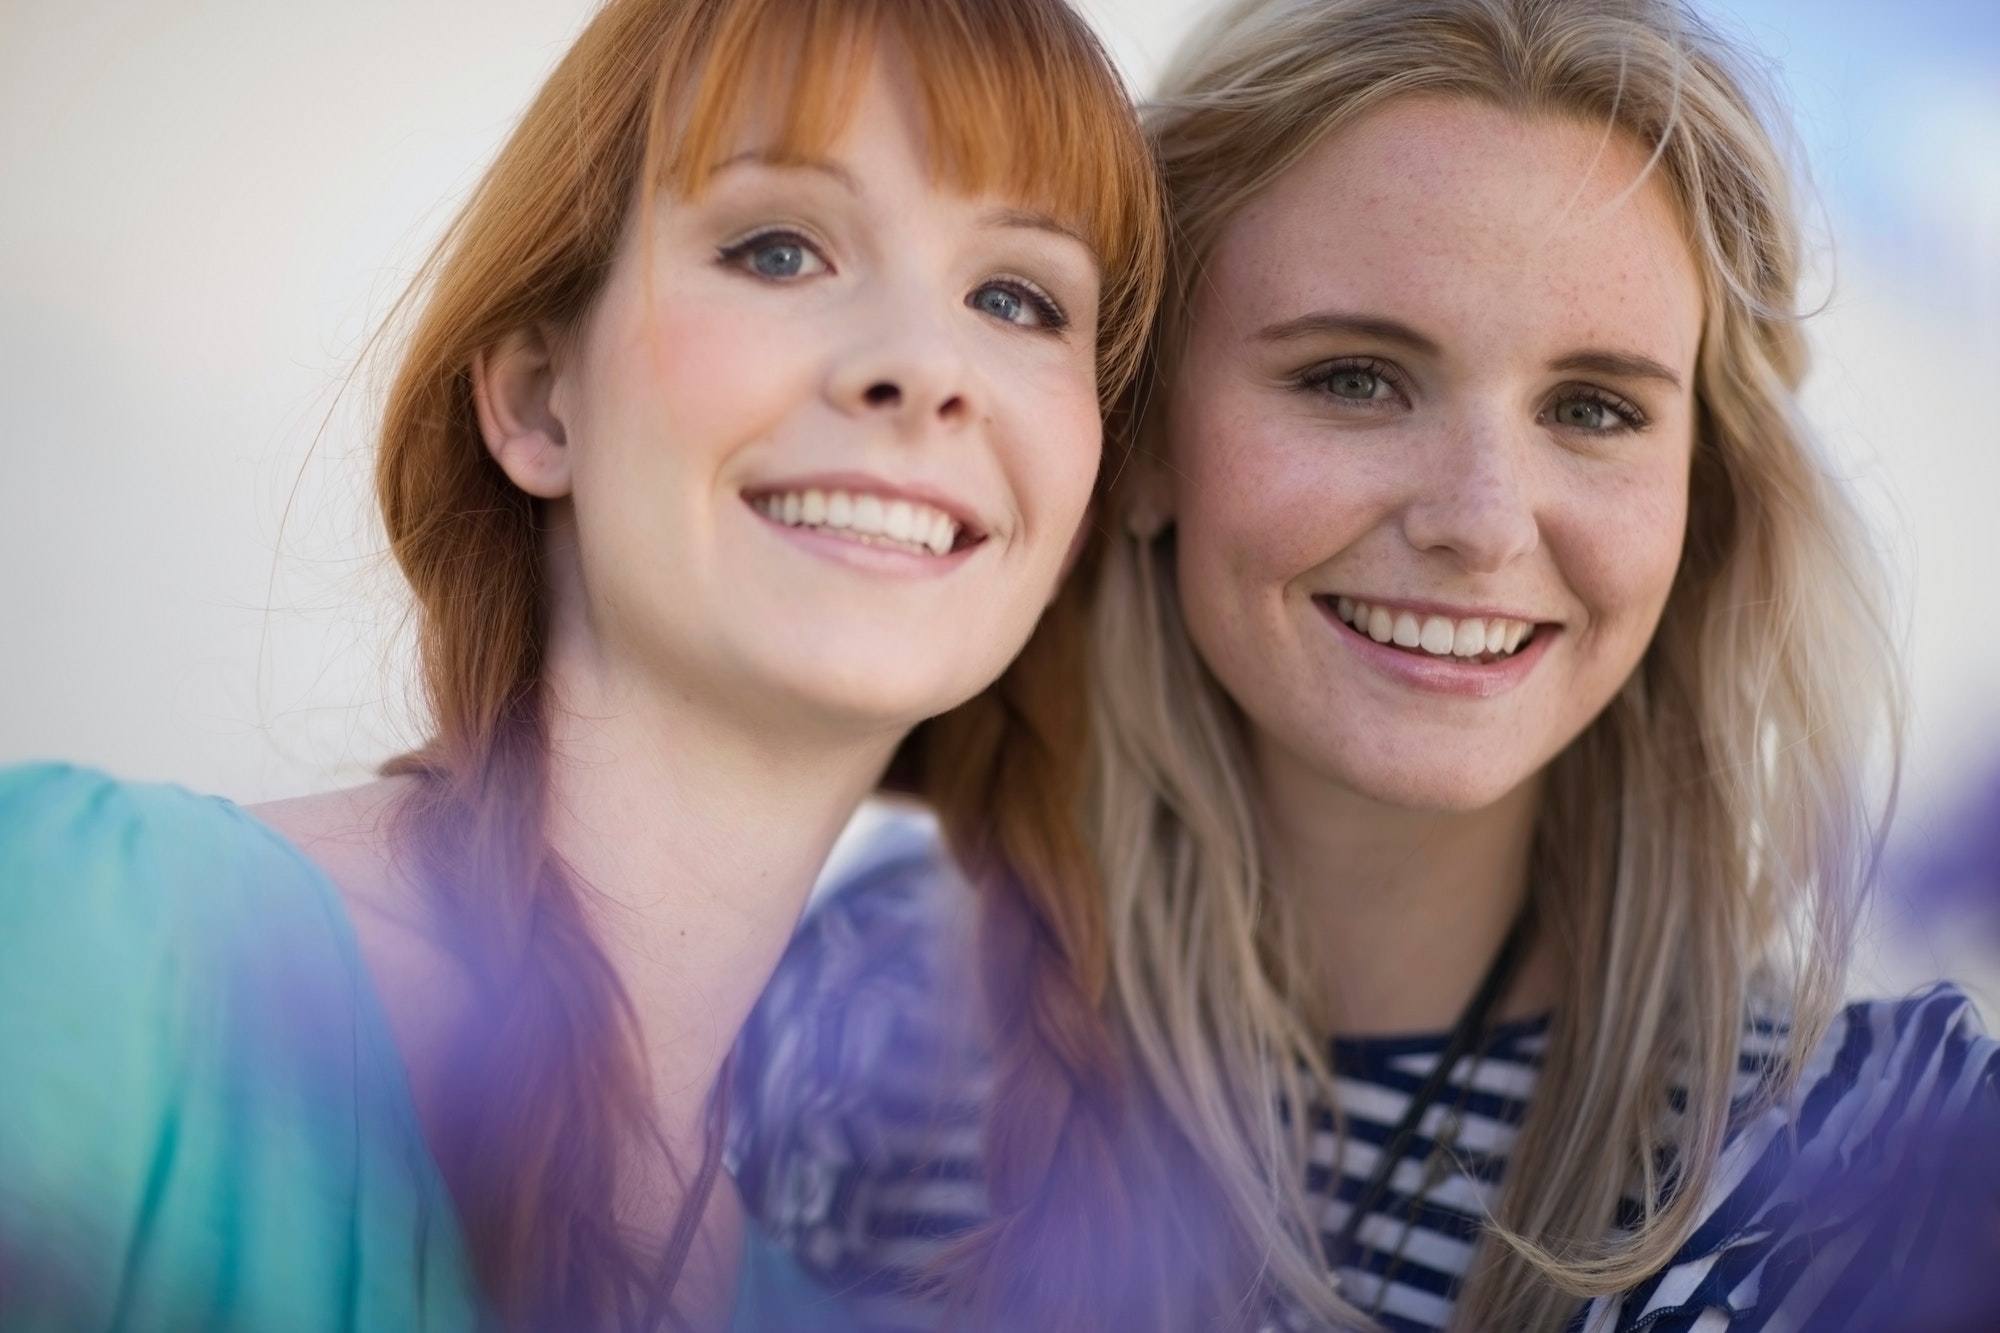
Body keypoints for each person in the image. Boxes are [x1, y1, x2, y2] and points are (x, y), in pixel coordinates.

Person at [730, 0, 2000, 1329]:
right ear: (1147, 439)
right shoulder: (859, 1010)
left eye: (1593, 408)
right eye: (1353, 378)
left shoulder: (1897, 1165)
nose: (1482, 520)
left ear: (1703, 492)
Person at [0, 1, 1163, 1329]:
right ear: (537, 397)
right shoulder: (88, 947)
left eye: (1016, 297)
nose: (924, 367)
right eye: (780, 248)